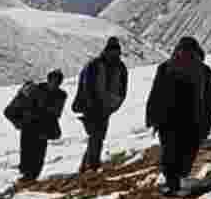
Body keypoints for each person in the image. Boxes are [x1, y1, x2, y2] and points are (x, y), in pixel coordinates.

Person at [145, 36, 211, 195]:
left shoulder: (166, 67)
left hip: (169, 120)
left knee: (170, 152)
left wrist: (151, 116)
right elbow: (210, 101)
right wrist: (207, 124)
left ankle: (173, 183)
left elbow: (156, 94)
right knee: (186, 152)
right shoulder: (204, 71)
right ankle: (177, 181)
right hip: (192, 120)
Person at [73, 37, 128, 172]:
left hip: (106, 107)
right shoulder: (95, 65)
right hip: (92, 106)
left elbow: (122, 89)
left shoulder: (119, 67)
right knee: (97, 135)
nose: (114, 53)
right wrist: (89, 104)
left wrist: (114, 105)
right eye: (112, 50)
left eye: (116, 51)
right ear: (107, 50)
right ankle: (92, 165)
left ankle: (86, 166)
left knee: (97, 135)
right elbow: (86, 86)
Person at [9, 70, 67, 182]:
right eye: (53, 81)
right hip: (30, 125)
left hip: (43, 127)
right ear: (49, 79)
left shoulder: (60, 95)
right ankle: (26, 174)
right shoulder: (37, 89)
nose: (54, 84)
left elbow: (56, 112)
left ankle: (32, 175)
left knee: (39, 152)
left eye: (57, 82)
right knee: (27, 150)